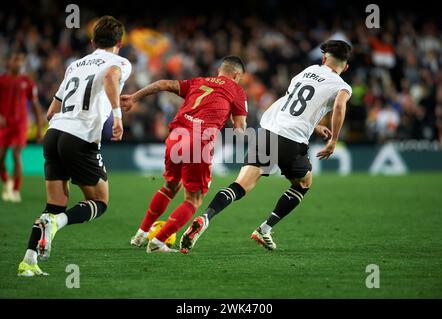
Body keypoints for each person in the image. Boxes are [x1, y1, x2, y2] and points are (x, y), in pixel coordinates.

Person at [180, 40, 353, 253]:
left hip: (268, 131)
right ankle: (265, 228)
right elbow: (339, 105)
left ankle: (205, 218)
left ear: (324, 58)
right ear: (345, 67)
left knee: (240, 185)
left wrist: (314, 125)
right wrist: (334, 139)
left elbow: (291, 101)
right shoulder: (342, 86)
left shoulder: (308, 71)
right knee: (304, 183)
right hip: (292, 139)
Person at [17, 16, 132, 276]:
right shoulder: (119, 62)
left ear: (92, 42)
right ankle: (57, 223)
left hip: (55, 132)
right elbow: (111, 76)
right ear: (120, 43)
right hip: (79, 138)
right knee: (100, 202)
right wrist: (117, 115)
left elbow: (50, 112)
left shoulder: (74, 65)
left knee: (54, 204)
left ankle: (29, 261)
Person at [123, 56, 248, 253]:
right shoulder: (237, 90)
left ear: (219, 71)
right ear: (237, 75)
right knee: (193, 199)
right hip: (198, 141)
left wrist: (134, 97)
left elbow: (162, 83)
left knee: (169, 187)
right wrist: (236, 120)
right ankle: (158, 243)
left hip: (175, 136)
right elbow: (240, 128)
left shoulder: (198, 81)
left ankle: (141, 233)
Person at [0, 52, 44, 202]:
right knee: (0, 157)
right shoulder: (2, 80)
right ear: (9, 63)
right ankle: (7, 182)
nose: (18, 63)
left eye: (20, 61)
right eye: (15, 60)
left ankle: (16, 189)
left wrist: (39, 129)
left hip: (20, 124)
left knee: (16, 155)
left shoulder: (28, 83)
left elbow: (36, 106)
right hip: (4, 124)